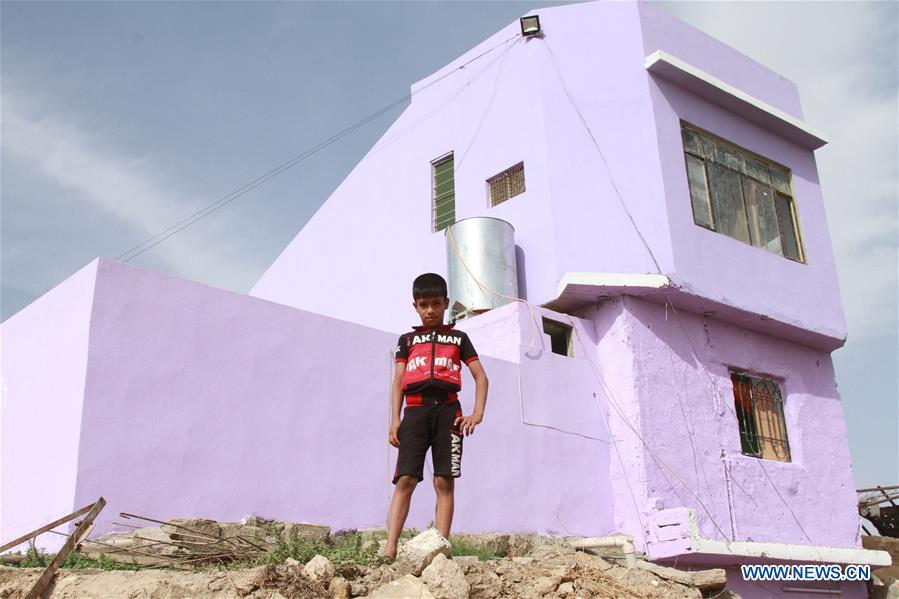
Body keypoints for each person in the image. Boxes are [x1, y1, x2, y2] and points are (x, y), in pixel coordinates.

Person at [384, 273, 488, 559]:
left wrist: (476, 413)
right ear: (415, 306)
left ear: (445, 303)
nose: (430, 310)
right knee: (405, 479)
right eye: (423, 304)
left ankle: (441, 550)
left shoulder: (459, 338)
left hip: (449, 412)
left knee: (444, 481)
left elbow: (480, 377)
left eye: (435, 304)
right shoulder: (407, 341)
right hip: (415, 412)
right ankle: (390, 549)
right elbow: (398, 383)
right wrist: (395, 419)